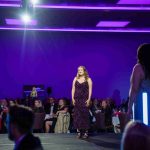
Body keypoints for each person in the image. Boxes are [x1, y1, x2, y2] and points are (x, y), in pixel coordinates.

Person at [128, 44, 150, 125]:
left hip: (143, 104)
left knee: (142, 131)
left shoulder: (138, 68)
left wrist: (129, 109)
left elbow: (134, 90)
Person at [72, 66, 92, 138]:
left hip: (84, 99)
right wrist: (73, 98)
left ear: (84, 71)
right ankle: (79, 132)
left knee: (84, 115)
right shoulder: (75, 78)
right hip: (77, 99)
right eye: (78, 70)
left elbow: (90, 90)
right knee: (77, 115)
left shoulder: (88, 79)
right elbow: (73, 89)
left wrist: (89, 99)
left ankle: (86, 132)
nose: (79, 71)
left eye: (81, 70)